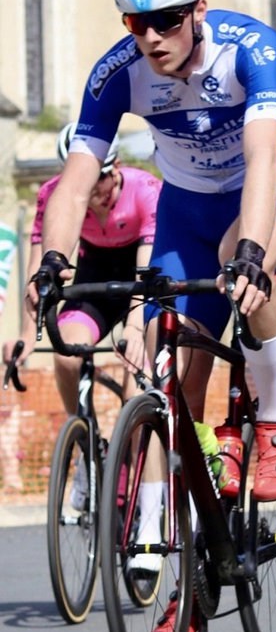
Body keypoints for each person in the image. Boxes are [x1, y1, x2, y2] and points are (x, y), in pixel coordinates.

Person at [27, 0, 276, 632]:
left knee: (245, 267)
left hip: (266, 190)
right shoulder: (117, 73)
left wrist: (251, 250)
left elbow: (261, 155)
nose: (151, 36)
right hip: (186, 209)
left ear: (198, 10)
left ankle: (274, 419)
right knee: (171, 389)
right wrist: (53, 263)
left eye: (165, 19)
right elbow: (75, 178)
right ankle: (193, 575)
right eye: (136, 22)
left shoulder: (251, 49)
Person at [4, 123, 162, 511]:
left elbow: (146, 272)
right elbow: (38, 272)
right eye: (84, 183)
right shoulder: (54, 195)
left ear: (116, 167)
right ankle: (88, 445)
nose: (93, 194)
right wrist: (27, 333)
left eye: (100, 181)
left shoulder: (145, 190)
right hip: (94, 280)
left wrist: (136, 328)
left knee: (135, 387)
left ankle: (138, 483)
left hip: (141, 280)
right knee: (66, 356)